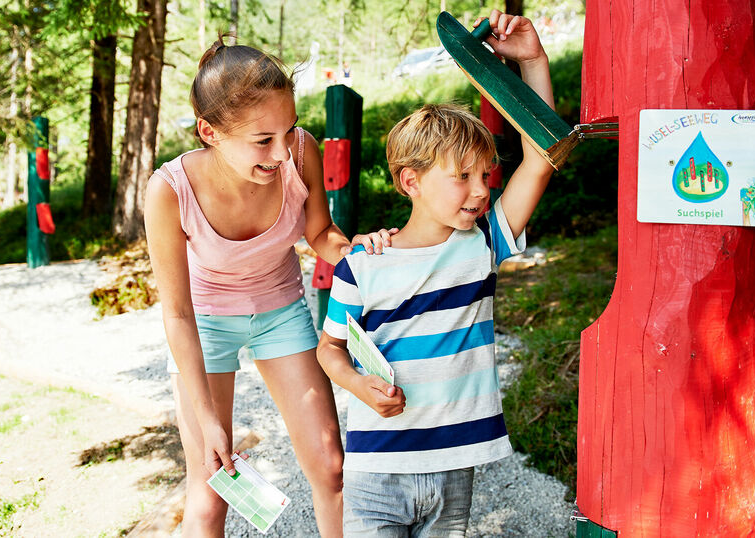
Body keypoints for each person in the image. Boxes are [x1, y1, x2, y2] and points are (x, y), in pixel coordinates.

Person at [316, 11, 555, 536]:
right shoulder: (363, 264)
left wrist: (533, 60)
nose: (481, 190)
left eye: (485, 176)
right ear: (411, 182)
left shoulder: (482, 245)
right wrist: (359, 385)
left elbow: (542, 156)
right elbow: (328, 350)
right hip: (374, 471)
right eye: (462, 177)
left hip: (453, 469)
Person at [144, 38, 394, 537]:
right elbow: (176, 314)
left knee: (331, 467)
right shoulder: (169, 191)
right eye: (263, 140)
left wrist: (357, 251)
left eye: (289, 129)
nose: (282, 152)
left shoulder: (301, 151)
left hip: (280, 310)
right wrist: (208, 419)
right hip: (205, 322)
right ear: (209, 131)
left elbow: (321, 235)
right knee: (210, 488)